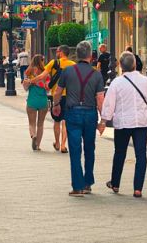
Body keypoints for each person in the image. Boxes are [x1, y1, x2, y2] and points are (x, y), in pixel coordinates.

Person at [101, 52, 147, 198]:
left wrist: (104, 121)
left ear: (120, 65)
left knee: (120, 152)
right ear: (135, 64)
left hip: (123, 123)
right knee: (141, 154)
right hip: (142, 122)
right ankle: (138, 188)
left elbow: (109, 105)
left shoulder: (117, 83)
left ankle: (115, 183)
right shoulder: (146, 81)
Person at [54, 41, 105, 196]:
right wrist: (103, 121)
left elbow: (58, 91)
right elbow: (100, 99)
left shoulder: (68, 71)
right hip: (90, 114)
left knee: (75, 150)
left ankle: (77, 187)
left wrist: (56, 104)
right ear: (90, 56)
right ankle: (88, 182)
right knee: (90, 148)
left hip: (73, 113)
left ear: (77, 55)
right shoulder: (96, 74)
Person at [24, 45, 75, 153]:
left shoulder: (53, 63)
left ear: (60, 52)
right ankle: (63, 145)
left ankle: (54, 142)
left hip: (55, 96)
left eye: (57, 51)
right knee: (65, 121)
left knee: (56, 121)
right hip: (69, 96)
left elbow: (42, 76)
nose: (56, 52)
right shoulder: (73, 65)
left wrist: (31, 81)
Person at [24, 55, 48, 151]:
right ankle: (37, 145)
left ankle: (33, 135)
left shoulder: (28, 72)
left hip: (31, 100)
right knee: (40, 124)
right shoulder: (45, 72)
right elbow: (48, 88)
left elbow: (25, 87)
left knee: (32, 123)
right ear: (42, 61)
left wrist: (30, 83)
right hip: (43, 101)